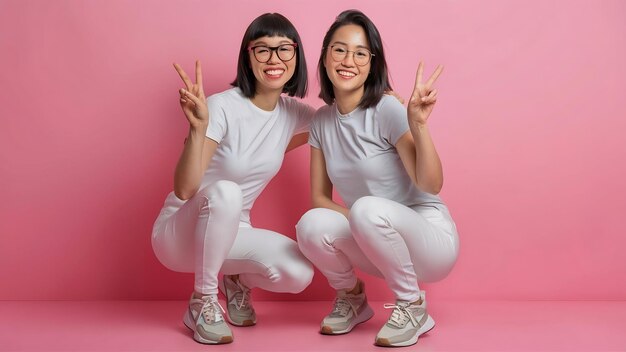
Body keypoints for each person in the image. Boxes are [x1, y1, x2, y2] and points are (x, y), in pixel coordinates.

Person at [296, 10, 459, 347]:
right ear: (325, 55)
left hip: (431, 239)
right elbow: (320, 200)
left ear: (372, 64)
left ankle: (413, 305)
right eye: (339, 49)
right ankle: (353, 298)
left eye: (360, 53)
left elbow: (431, 185)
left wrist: (419, 125)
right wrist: (361, 221)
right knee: (311, 224)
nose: (348, 60)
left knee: (367, 208)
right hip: (376, 236)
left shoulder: (388, 109)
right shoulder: (322, 122)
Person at [152, 13, 315, 345]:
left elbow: (344, 118)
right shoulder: (221, 107)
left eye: (285, 49)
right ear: (248, 56)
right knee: (226, 192)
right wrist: (197, 130)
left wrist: (384, 101)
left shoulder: (295, 115)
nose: (275, 59)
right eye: (263, 50)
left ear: (296, 57)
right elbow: (184, 189)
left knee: (299, 273)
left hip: (232, 235)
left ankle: (236, 280)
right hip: (179, 233)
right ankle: (203, 300)